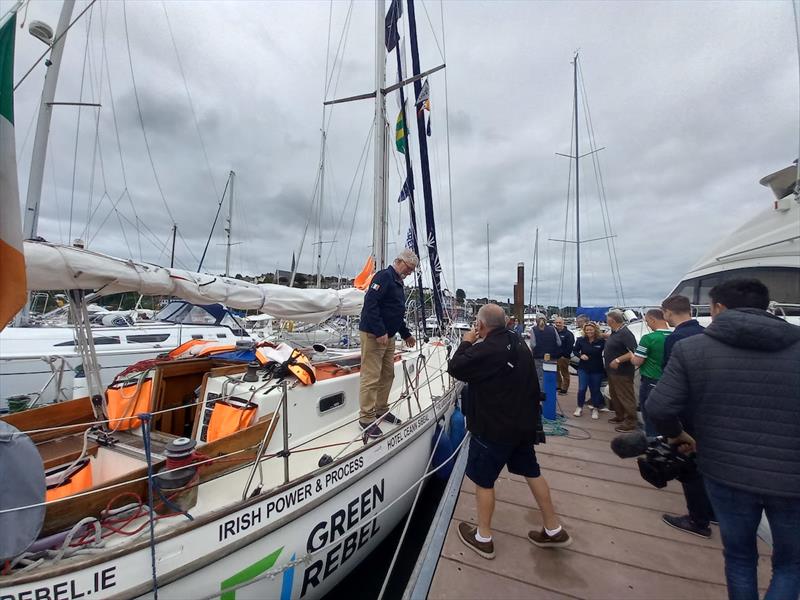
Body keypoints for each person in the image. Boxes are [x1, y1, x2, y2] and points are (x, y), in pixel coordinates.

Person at [648, 279, 800, 600]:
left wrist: (679, 435)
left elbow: (659, 407)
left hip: (725, 468)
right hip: (792, 475)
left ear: (717, 307)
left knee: (741, 557)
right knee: (791, 564)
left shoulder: (693, 348)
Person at [448, 303, 571, 559]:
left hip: (493, 427)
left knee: (483, 480)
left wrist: (467, 342)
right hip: (523, 424)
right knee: (532, 472)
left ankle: (483, 537)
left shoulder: (487, 349)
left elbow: (456, 367)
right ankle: (553, 527)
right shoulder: (518, 342)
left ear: (480, 325)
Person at [656, 294, 715, 539]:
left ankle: (697, 520)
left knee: (689, 466)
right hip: (707, 411)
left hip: (686, 414)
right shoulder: (704, 335)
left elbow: (671, 379)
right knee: (706, 466)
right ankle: (712, 512)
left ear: (668, 312)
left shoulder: (677, 339)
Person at [358, 249, 418, 439]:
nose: (410, 273)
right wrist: (379, 331)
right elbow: (370, 304)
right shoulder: (384, 277)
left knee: (388, 375)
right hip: (374, 335)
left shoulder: (398, 282)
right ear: (400, 261)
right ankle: (366, 419)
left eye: (412, 270)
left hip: (389, 336)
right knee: (371, 376)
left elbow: (395, 313)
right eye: (409, 268)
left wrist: (406, 334)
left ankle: (380, 409)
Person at [630, 308, 671, 436]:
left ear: (653, 320)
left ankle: (652, 442)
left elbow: (637, 361)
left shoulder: (648, 338)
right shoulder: (674, 336)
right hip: (669, 381)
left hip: (651, 380)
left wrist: (631, 356)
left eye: (647, 321)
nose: (647, 324)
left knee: (649, 414)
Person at [604, 309, 637, 432]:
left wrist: (617, 360)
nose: (606, 321)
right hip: (612, 372)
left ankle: (631, 421)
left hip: (622, 372)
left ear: (612, 320)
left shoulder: (625, 333)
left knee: (625, 396)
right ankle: (619, 415)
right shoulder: (615, 332)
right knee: (615, 395)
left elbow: (633, 351)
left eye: (607, 320)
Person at [661, 294, 704, 368]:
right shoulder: (706, 331)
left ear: (668, 312)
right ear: (689, 310)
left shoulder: (674, 338)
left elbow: (670, 370)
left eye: (663, 313)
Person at [572, 322, 605, 419]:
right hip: (583, 368)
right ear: (584, 331)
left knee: (595, 390)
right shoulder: (580, 340)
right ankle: (579, 407)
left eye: (591, 329)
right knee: (582, 389)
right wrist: (580, 355)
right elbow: (575, 350)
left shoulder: (601, 341)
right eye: (587, 330)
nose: (589, 331)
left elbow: (609, 350)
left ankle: (595, 408)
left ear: (595, 330)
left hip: (597, 369)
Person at [529, 316, 560, 388]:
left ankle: (542, 395)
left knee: (540, 377)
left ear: (536, 321)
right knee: (551, 377)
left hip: (539, 357)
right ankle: (551, 397)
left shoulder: (534, 330)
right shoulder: (553, 329)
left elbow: (533, 345)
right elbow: (559, 343)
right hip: (552, 357)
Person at [553, 316, 574, 395]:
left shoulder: (568, 334)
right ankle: (559, 385)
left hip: (564, 357)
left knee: (564, 373)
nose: (558, 324)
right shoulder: (554, 332)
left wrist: (564, 355)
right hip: (555, 356)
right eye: (556, 323)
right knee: (556, 372)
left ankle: (564, 388)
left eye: (559, 323)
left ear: (563, 323)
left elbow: (570, 347)